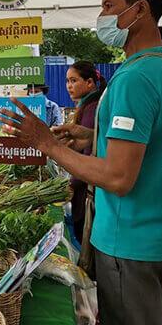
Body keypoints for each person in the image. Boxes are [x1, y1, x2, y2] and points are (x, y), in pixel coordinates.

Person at [0, 0, 162, 325]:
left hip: (129, 239)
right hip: (160, 233)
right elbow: (153, 140)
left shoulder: (137, 77)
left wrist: (47, 143)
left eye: (109, 6)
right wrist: (92, 137)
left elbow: (118, 177)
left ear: (140, 10)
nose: (101, 17)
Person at [64, 61, 107, 242]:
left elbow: (88, 155)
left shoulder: (91, 109)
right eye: (67, 81)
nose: (69, 86)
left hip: (86, 190)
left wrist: (69, 187)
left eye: (74, 80)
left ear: (89, 83)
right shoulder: (88, 105)